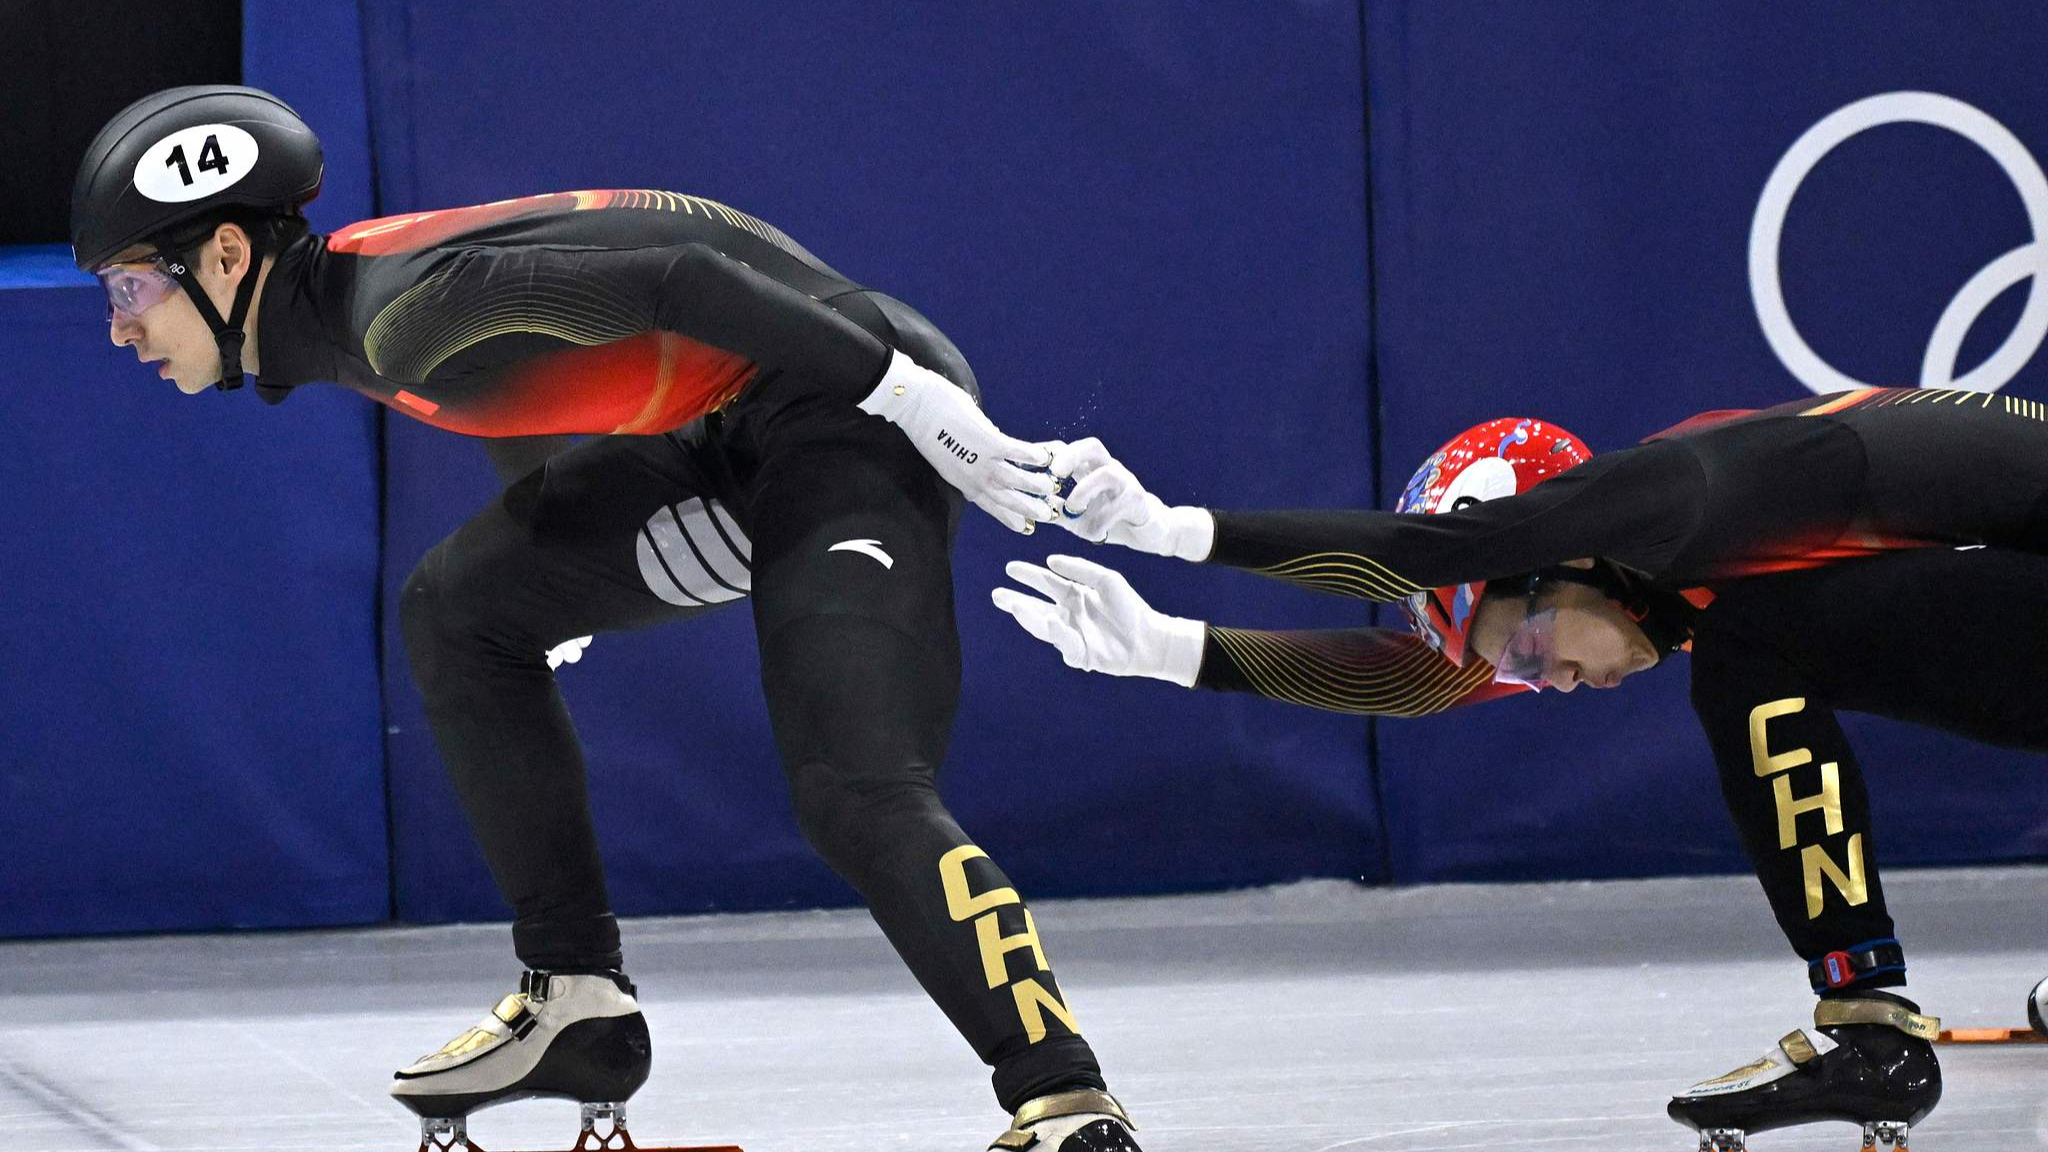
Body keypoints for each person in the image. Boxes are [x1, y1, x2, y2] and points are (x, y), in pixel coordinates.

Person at [72, 85, 1140, 1152]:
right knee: (460, 611)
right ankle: (575, 998)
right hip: (729, 422)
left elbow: (675, 277)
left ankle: (1062, 1101)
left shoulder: (399, 314)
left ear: (222, 257)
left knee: (854, 789)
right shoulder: (356, 303)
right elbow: (528, 376)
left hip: (848, 411)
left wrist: (911, 398)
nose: (120, 328)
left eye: (128, 287)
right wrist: (544, 552)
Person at [992, 391, 2048, 1151]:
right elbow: (1414, 683)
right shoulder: (1667, 569)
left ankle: (1865, 1025)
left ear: (1563, 553)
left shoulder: (1685, 492)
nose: (1554, 685)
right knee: (1761, 639)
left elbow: (1421, 554)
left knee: (1753, 651)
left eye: (1533, 655)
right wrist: (1169, 650)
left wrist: (1173, 531)